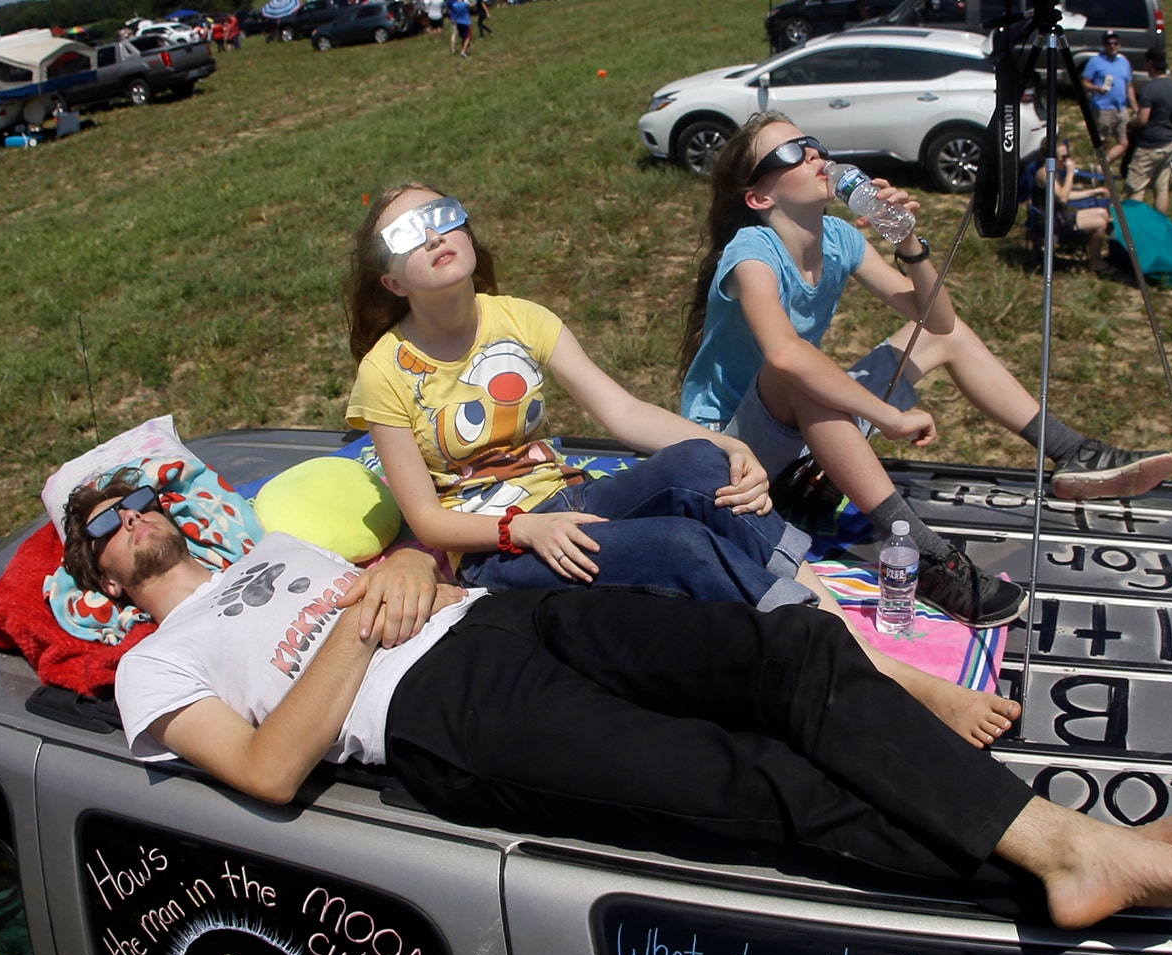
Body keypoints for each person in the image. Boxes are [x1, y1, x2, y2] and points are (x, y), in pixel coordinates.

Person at [65, 476, 1172, 930]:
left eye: (132, 499)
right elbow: (271, 771)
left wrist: (411, 572)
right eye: (102, 527)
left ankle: (1082, 853)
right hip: (446, 715)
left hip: (509, 618)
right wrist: (360, 617)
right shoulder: (153, 664)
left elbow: (418, 567)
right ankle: (1070, 854)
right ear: (98, 581)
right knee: (755, 785)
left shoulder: (271, 548)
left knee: (789, 653)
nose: (129, 518)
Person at [344, 183, 1024, 748]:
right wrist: (521, 531)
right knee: (681, 543)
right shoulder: (385, 373)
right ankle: (881, 680)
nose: (432, 236)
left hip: (569, 502)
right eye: (406, 235)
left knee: (699, 463)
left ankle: (848, 645)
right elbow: (428, 521)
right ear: (391, 279)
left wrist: (730, 448)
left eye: (441, 217)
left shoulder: (518, 318)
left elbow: (625, 412)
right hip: (499, 549)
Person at [675, 114, 1172, 629]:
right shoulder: (751, 252)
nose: (811, 154)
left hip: (794, 442)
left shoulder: (840, 238)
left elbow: (938, 319)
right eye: (789, 153)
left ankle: (1072, 452)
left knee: (941, 340)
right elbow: (784, 357)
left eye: (811, 143)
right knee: (799, 369)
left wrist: (909, 242)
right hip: (727, 457)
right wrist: (885, 415)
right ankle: (926, 556)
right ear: (760, 198)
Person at [1035, 139, 1112, 273]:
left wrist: (1093, 192)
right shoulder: (1046, 174)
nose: (1067, 161)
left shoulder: (1054, 171)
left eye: (1068, 156)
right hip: (1049, 221)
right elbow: (1063, 198)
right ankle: (1094, 262)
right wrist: (1070, 173)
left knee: (1102, 213)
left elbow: (1066, 194)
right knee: (1100, 224)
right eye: (1063, 158)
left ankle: (1095, 254)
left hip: (1058, 216)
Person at [1126, 46, 1172, 216]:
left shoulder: (1149, 89)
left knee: (1136, 187)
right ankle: (1160, 222)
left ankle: (1134, 226)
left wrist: (1132, 123)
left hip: (1149, 146)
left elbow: (1143, 119)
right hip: (1168, 143)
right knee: (1161, 188)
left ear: (1150, 63)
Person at [1080, 32, 1136, 169]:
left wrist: (1135, 107)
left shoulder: (1124, 62)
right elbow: (1084, 82)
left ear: (1119, 45)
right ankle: (1103, 169)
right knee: (1105, 142)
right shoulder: (1095, 61)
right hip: (1103, 108)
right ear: (1104, 45)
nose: (1112, 46)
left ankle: (1101, 167)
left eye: (1115, 43)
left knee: (1124, 142)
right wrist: (1097, 89)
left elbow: (1129, 87)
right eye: (1109, 43)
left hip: (1121, 109)